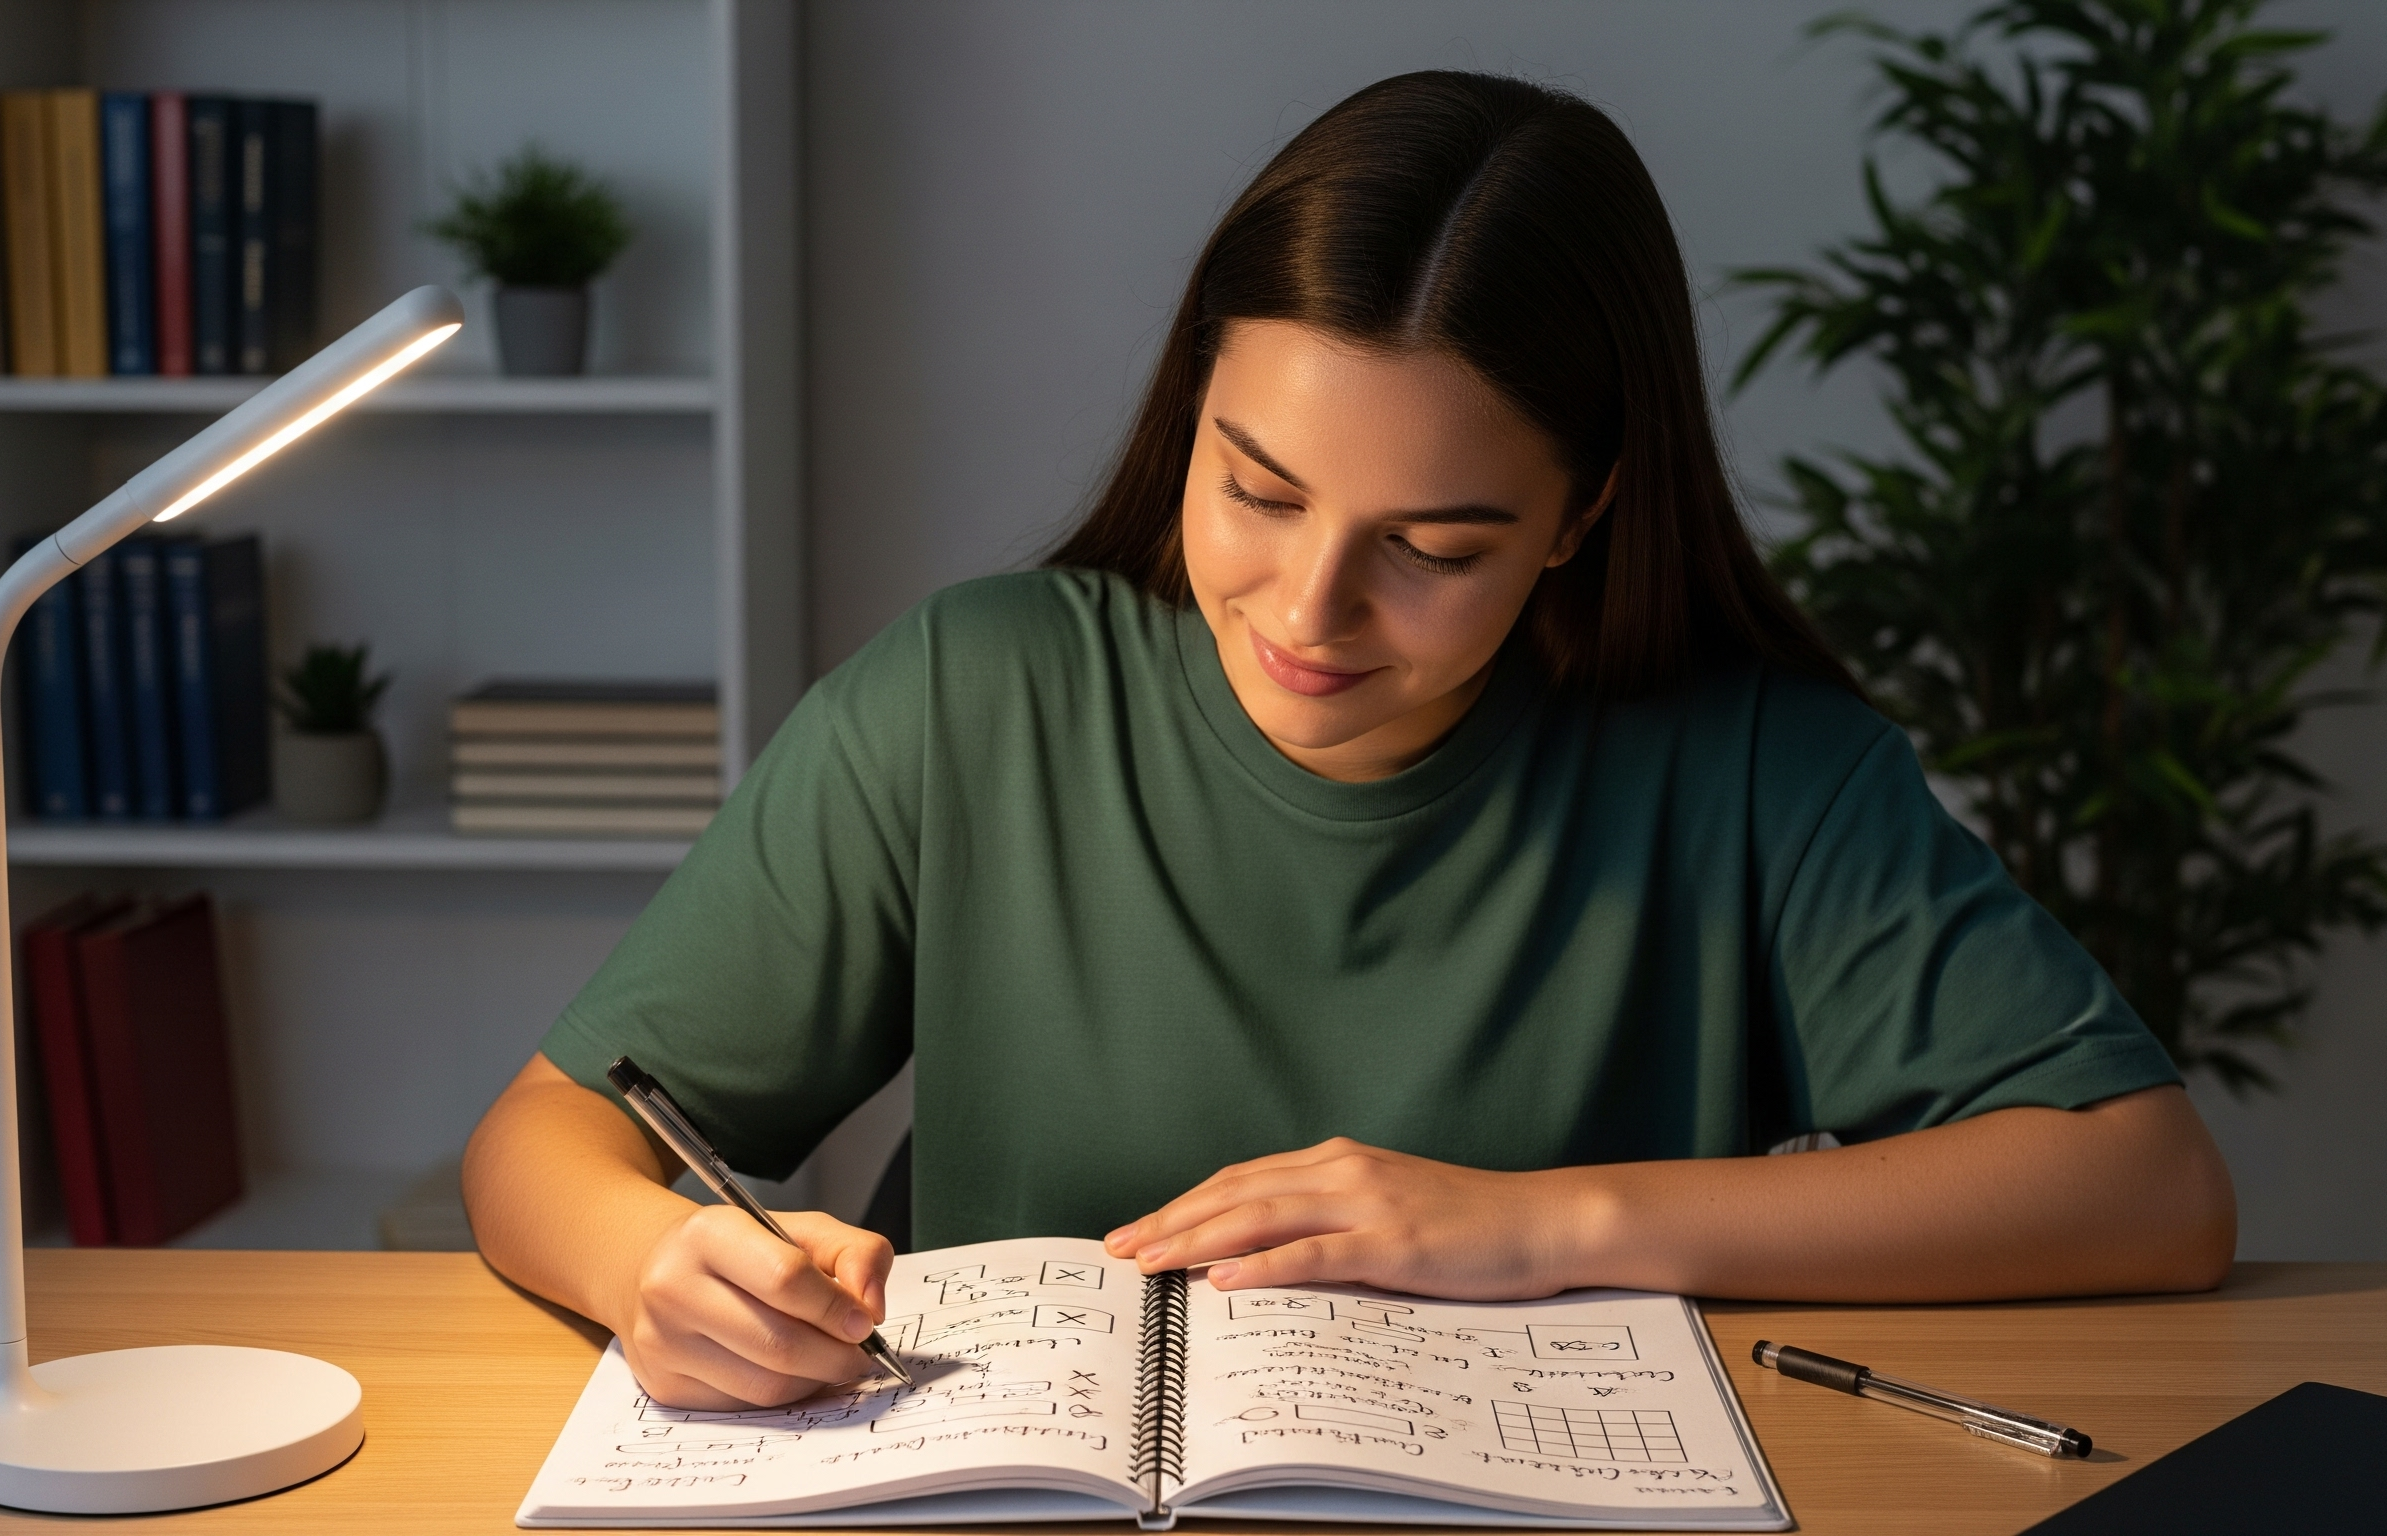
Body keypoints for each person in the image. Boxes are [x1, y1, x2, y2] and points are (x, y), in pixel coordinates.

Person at [463, 71, 2236, 1413]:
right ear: (1191, 412)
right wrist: (657, 1266)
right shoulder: (974, 696)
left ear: (1579, 514)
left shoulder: (1757, 766)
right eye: (1255, 487)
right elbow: (542, 1142)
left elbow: (2145, 1187)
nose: (1308, 610)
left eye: (1435, 549)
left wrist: (1535, 1229)